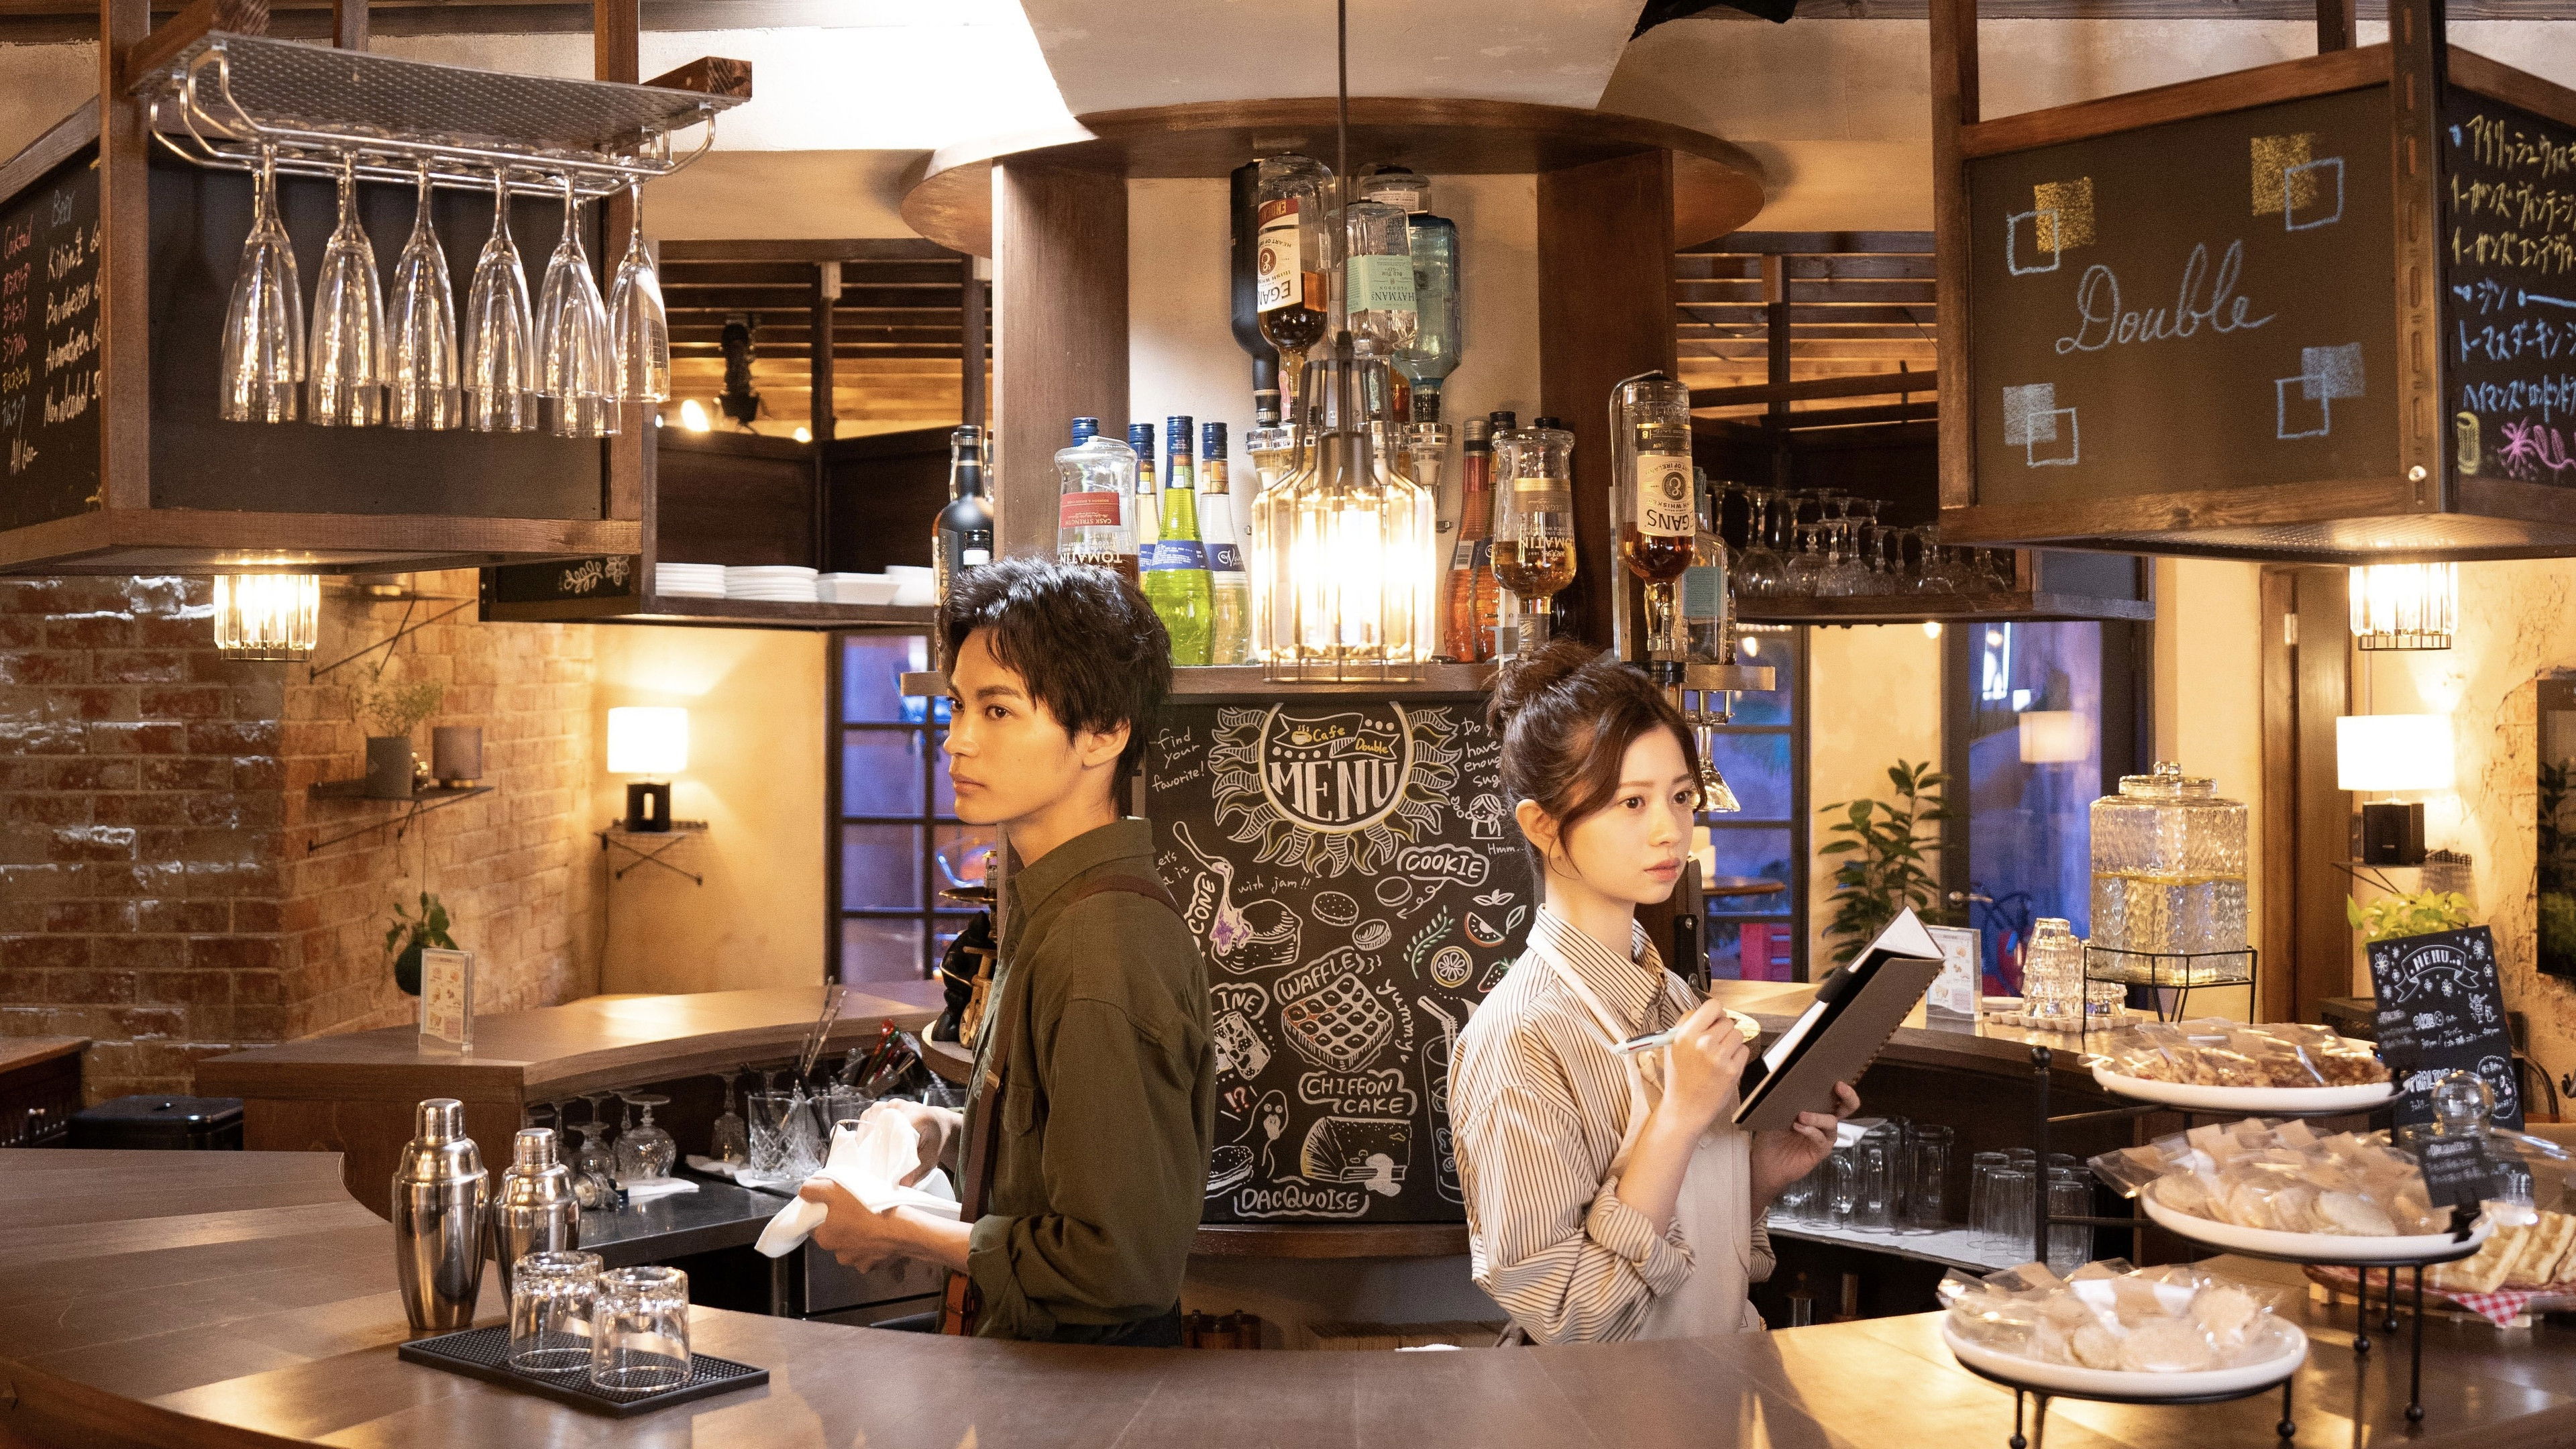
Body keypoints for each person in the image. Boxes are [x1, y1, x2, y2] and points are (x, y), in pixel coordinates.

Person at [798, 557, 1216, 1346]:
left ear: (1105, 732)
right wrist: (947, 1132)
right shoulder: (1056, 907)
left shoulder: (1101, 947)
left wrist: (898, 1232)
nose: (956, 742)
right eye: (958, 706)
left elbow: (1120, 1265)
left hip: (1081, 1390)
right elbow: (1057, 1160)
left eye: (998, 711)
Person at [1450, 641, 1859, 1343]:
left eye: (1680, 797)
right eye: (1631, 803)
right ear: (1542, 826)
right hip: (1603, 1406)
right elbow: (1571, 1318)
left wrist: (1757, 1175)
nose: (1670, 831)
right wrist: (1676, 1121)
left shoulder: (1676, 1000)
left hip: (1721, 1386)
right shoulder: (1519, 1039)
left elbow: (1699, 1251)